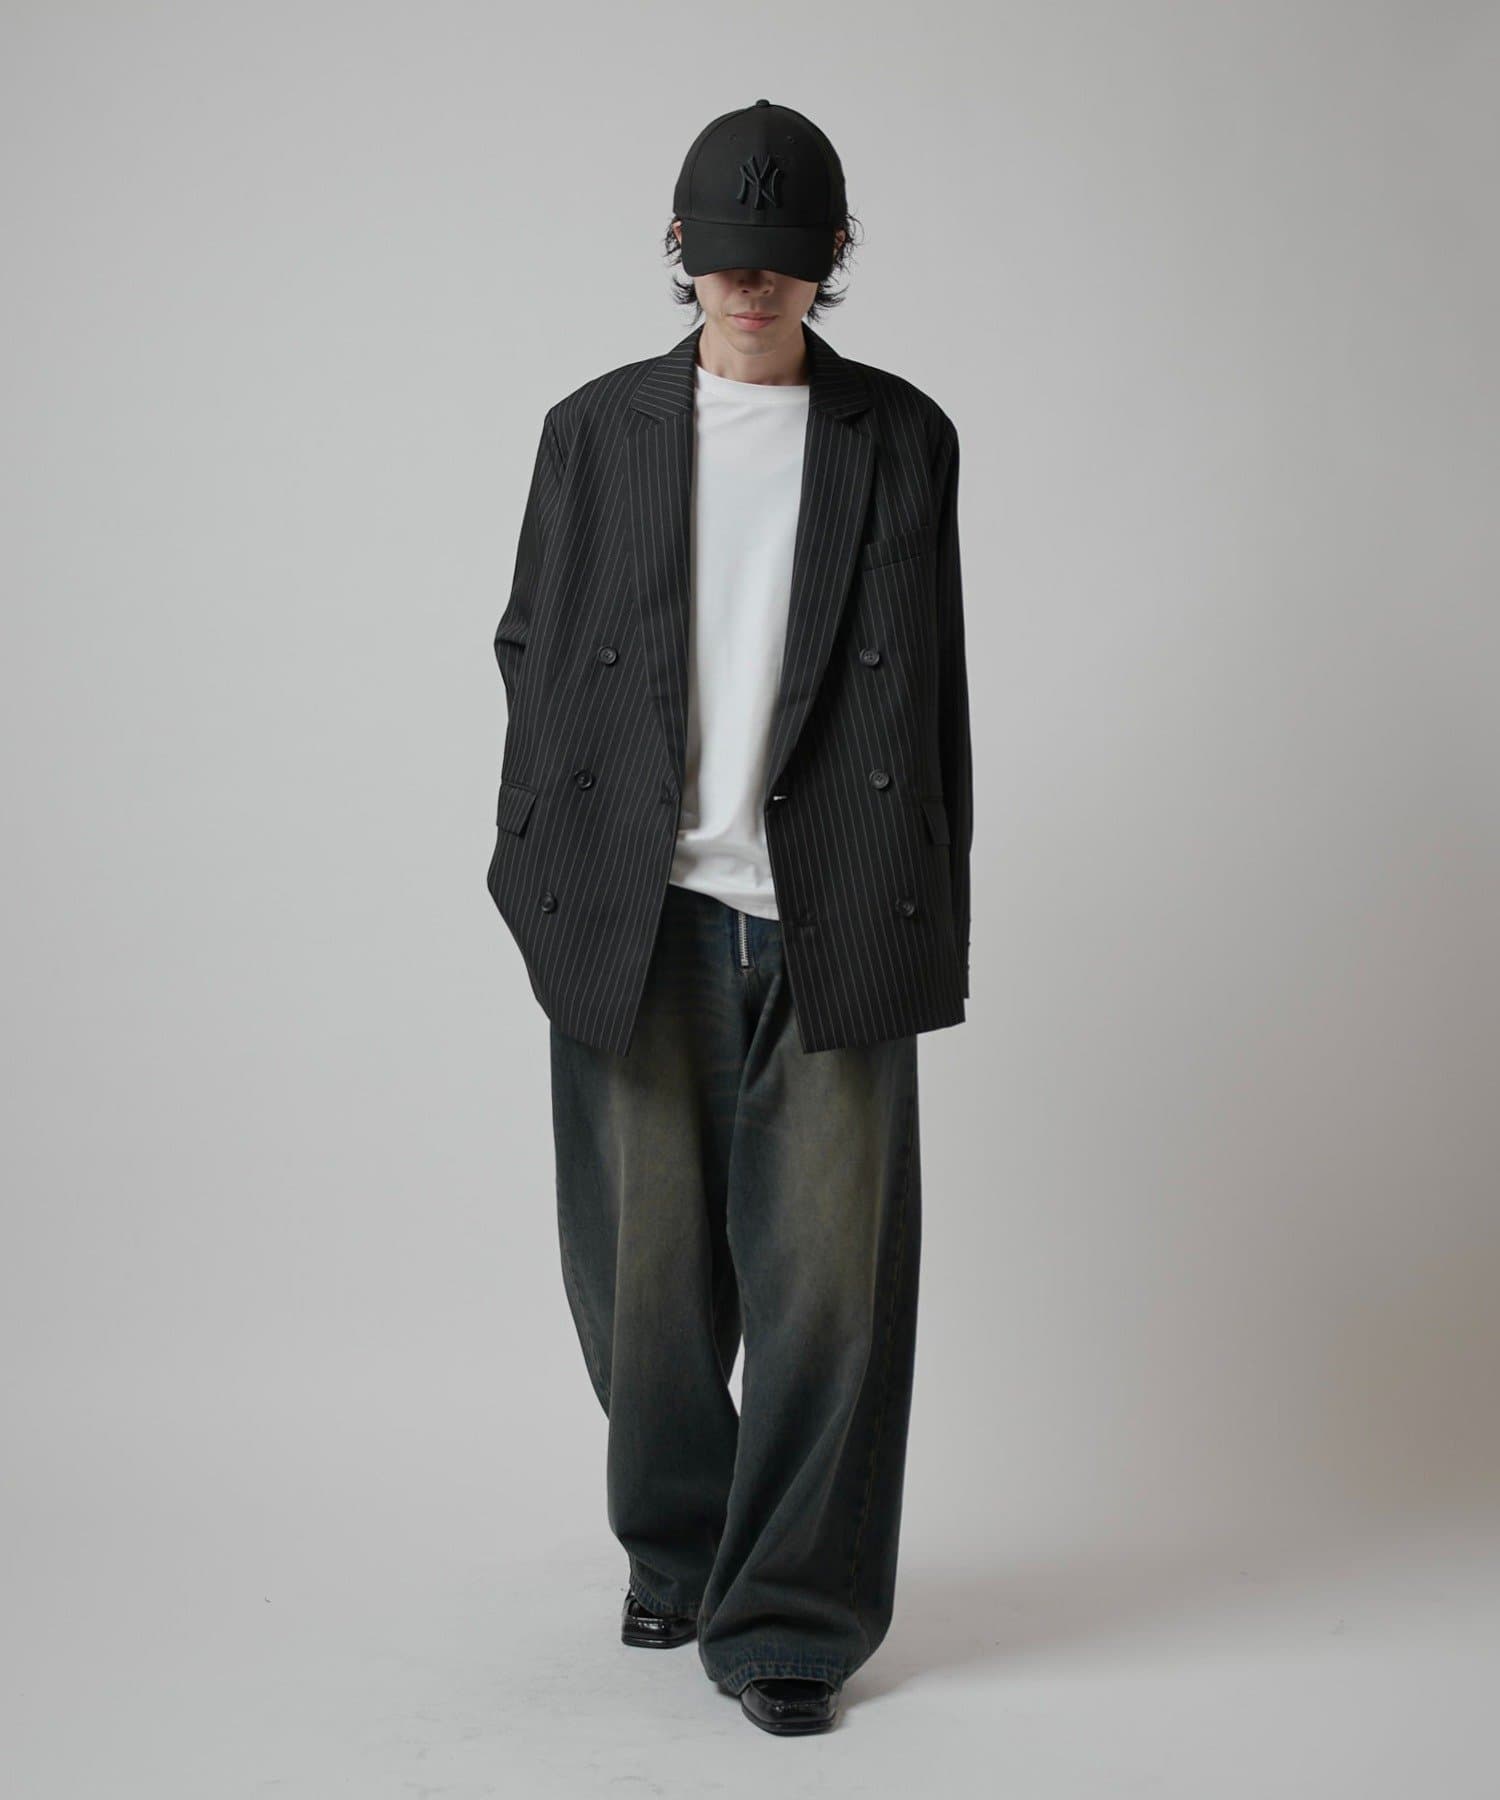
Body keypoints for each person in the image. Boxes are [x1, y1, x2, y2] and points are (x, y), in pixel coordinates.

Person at [485, 98, 972, 1736]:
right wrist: (545, 854)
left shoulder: (901, 437)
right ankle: (681, 1550)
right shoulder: (594, 431)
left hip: (839, 909)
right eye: (724, 254)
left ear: (832, 258)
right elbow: (529, 644)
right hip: (639, 910)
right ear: (680, 251)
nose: (750, 285)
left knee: (832, 1289)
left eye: (783, 257)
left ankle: (793, 1620)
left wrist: (930, 905)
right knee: (642, 1285)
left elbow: (933, 692)